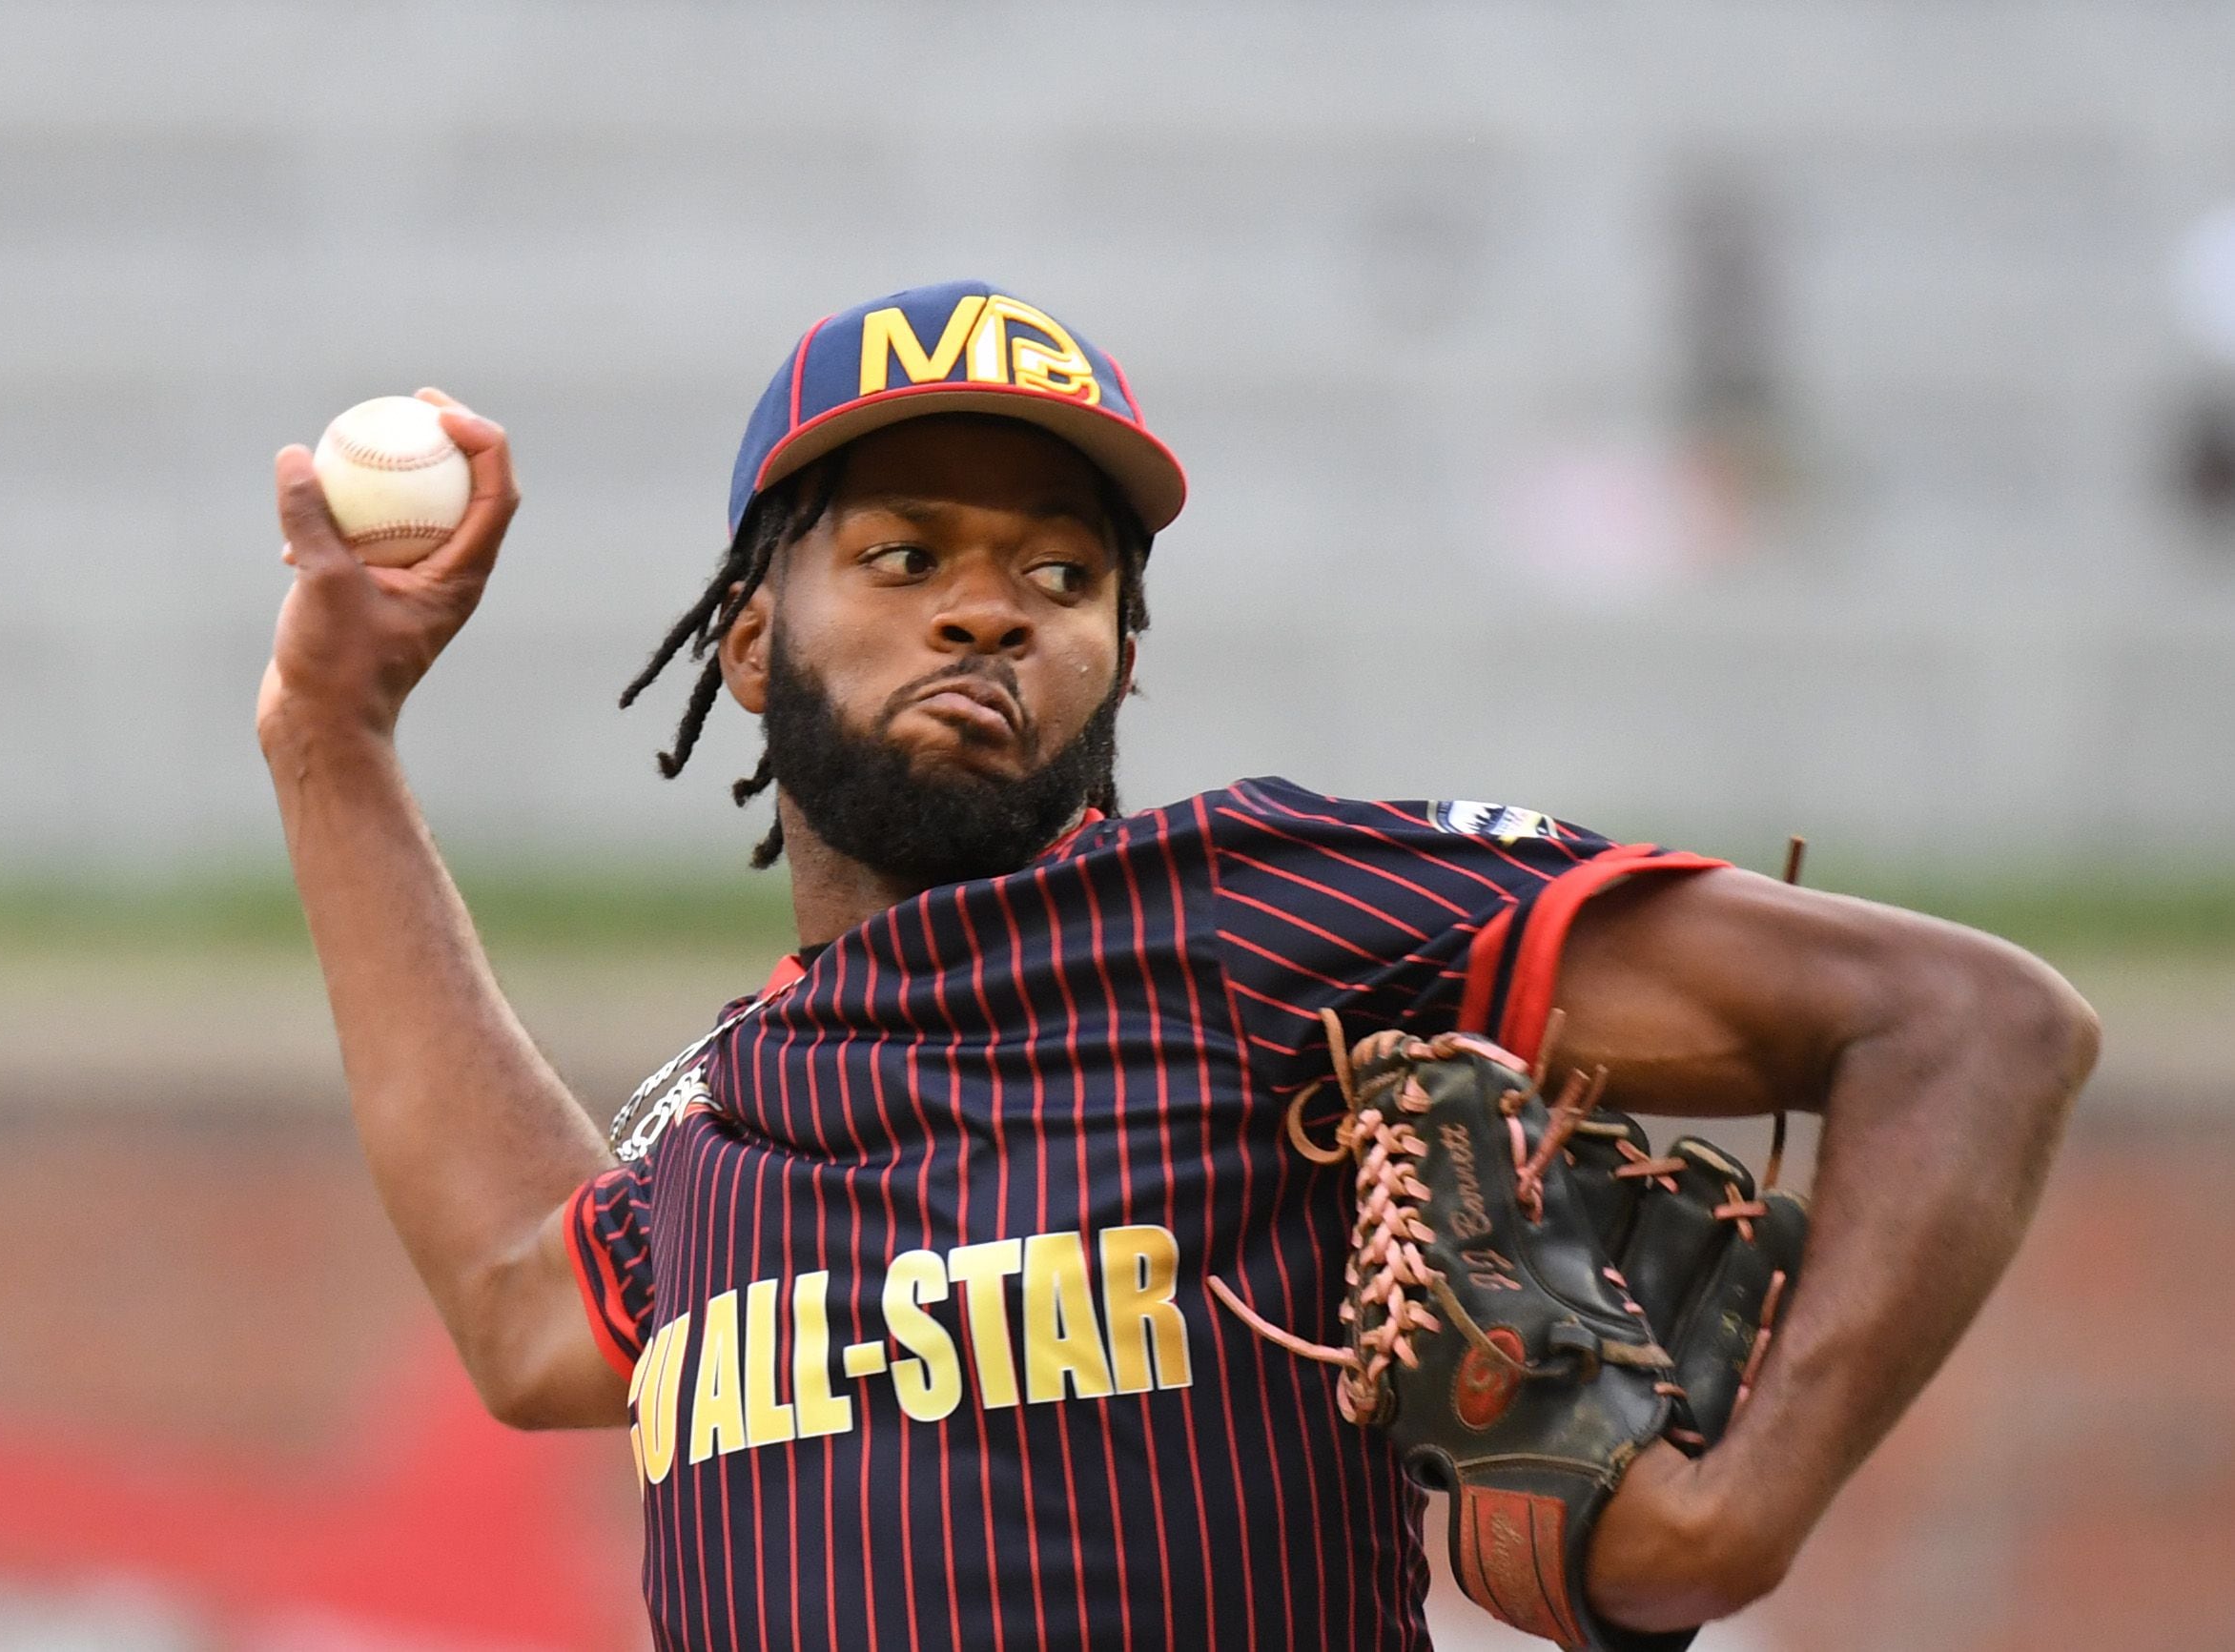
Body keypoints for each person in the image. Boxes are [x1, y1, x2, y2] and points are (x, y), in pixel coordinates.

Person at [258, 279, 2099, 1651]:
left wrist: (1731, 1523)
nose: (988, 605)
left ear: (1122, 667)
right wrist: (331, 739)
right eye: (902, 555)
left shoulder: (1249, 918)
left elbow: (1971, 1023)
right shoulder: (735, 1108)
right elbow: (521, 1300)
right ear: (749, 643)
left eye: (1063, 577)